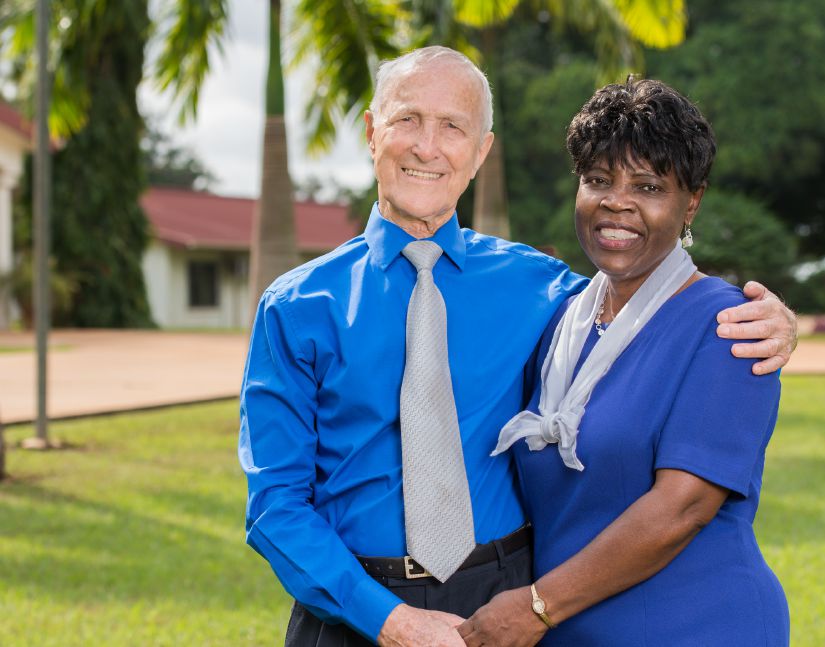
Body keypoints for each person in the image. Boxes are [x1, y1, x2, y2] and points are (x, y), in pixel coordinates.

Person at [239, 47, 796, 647]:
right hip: (354, 612)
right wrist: (391, 621)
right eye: (408, 120)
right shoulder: (294, 306)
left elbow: (654, 301)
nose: (428, 146)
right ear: (374, 133)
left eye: (453, 126)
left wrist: (773, 317)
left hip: (504, 605)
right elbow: (276, 505)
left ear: (480, 152)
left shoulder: (543, 288)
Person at [458, 78, 789, 646]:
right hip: (567, 630)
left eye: (649, 185)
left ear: (692, 201)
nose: (617, 202)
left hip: (696, 627)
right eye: (598, 180)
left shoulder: (728, 327)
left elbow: (682, 508)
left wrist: (536, 607)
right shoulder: (559, 322)